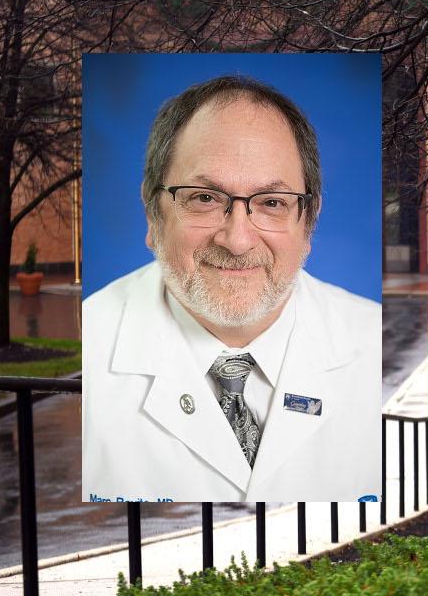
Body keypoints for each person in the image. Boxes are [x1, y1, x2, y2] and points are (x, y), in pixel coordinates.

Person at [82, 75, 381, 502]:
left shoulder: (372, 343)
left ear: (308, 222)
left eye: (272, 203)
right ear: (153, 214)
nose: (237, 240)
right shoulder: (88, 344)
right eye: (204, 198)